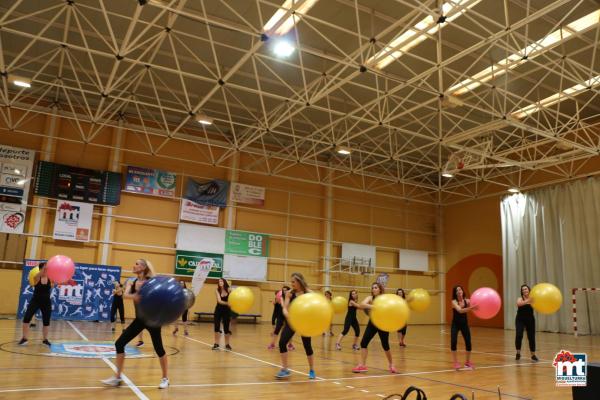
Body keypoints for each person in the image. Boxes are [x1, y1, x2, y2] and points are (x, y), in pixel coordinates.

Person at [101, 259, 169, 389]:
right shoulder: (132, 281)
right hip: (139, 320)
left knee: (159, 349)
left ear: (144, 267)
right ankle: (117, 378)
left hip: (153, 320)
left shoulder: (151, 282)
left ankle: (165, 378)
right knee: (119, 343)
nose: (134, 265)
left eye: (137, 264)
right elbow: (125, 295)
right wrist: (136, 296)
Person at [276, 272, 315, 379]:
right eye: (291, 282)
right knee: (282, 342)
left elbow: (315, 307)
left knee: (307, 346)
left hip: (305, 323)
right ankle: (284, 369)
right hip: (292, 321)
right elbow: (285, 307)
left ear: (299, 281)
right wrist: (286, 313)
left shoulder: (309, 293)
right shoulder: (289, 293)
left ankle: (311, 370)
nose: (291, 284)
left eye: (293, 282)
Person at [352, 283, 396, 374]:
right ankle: (362, 365)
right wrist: (374, 306)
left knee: (385, 345)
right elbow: (362, 304)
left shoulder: (384, 299)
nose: (373, 289)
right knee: (363, 343)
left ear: (380, 289)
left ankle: (391, 364)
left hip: (383, 324)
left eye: (375, 287)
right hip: (372, 323)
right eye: (372, 288)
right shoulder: (370, 298)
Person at [19, 262, 52, 346]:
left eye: (47, 269)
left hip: (46, 302)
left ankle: (45, 339)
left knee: (46, 321)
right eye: (44, 269)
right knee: (26, 318)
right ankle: (24, 338)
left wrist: (68, 281)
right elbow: (37, 275)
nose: (46, 271)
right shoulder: (37, 278)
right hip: (36, 301)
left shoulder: (50, 278)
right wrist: (44, 268)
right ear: (40, 269)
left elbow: (60, 281)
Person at [451, 285, 478, 370]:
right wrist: (471, 308)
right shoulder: (454, 302)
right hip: (455, 324)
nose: (459, 291)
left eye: (460, 289)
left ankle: (467, 362)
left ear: (462, 291)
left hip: (464, 324)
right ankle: (455, 362)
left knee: (468, 342)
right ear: (455, 293)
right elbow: (460, 310)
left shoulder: (467, 301)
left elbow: (476, 306)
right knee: (453, 341)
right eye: (457, 290)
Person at [515, 284, 538, 362]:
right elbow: (519, 304)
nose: (524, 290)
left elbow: (537, 306)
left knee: (531, 337)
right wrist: (528, 300)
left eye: (526, 289)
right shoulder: (520, 298)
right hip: (520, 319)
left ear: (529, 290)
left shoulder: (533, 299)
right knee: (519, 335)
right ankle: (518, 353)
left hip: (530, 320)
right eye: (523, 289)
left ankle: (533, 355)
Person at [268, 286, 293, 350]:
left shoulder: (290, 297)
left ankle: (290, 344)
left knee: (288, 331)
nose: (284, 291)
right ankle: (272, 344)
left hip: (287, 316)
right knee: (277, 330)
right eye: (283, 290)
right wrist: (276, 302)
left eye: (286, 290)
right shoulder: (280, 298)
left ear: (288, 291)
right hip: (280, 316)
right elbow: (280, 307)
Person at [213, 278, 232, 350]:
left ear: (224, 282)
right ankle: (216, 344)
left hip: (226, 311)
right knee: (216, 327)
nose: (220, 282)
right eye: (219, 281)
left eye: (221, 281)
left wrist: (232, 303)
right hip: (218, 310)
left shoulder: (229, 290)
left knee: (226, 329)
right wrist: (228, 303)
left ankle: (227, 344)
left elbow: (233, 298)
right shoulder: (217, 290)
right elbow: (219, 301)